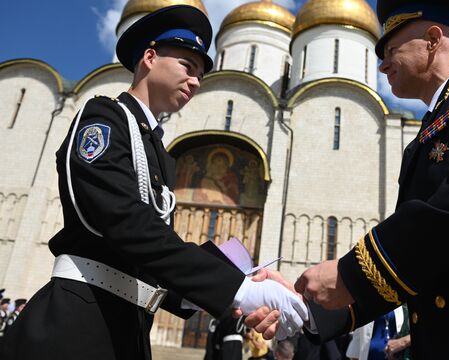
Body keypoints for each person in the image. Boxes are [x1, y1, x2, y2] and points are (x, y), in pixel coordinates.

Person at [244, 1, 449, 359]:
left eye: (391, 50)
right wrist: (305, 307)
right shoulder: (421, 140)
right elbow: (416, 258)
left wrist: (350, 272)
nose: (383, 64)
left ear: (433, 40)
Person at [0, 5, 307, 360]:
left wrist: (248, 280)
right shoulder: (105, 116)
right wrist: (236, 289)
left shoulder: (157, 150)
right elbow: (123, 221)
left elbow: (152, 256)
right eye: (187, 67)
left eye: (200, 76)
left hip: (127, 329)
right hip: (77, 321)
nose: (195, 82)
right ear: (149, 57)